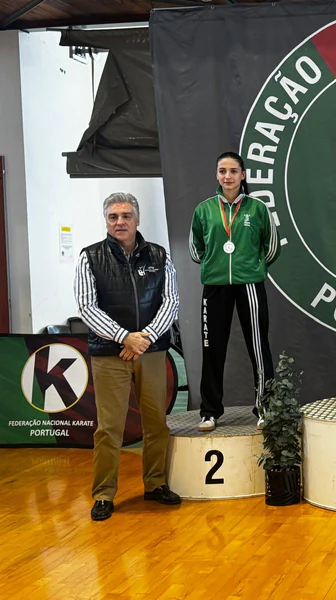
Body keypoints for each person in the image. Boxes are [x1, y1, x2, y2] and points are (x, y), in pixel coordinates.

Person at [74, 192, 181, 521]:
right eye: (113, 217)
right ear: (106, 221)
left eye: (125, 216)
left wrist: (144, 338)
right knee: (109, 428)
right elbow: (87, 307)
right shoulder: (90, 257)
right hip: (110, 355)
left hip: (151, 352)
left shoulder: (159, 255)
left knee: (156, 423)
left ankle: (155, 484)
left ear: (137, 219)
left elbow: (171, 301)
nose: (119, 222)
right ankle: (104, 494)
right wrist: (125, 337)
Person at [190, 151, 281, 431]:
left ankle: (265, 407)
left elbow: (272, 247)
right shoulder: (204, 210)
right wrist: (215, 264)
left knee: (258, 346)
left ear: (243, 175)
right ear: (217, 175)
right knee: (212, 348)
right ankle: (209, 411)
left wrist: (253, 267)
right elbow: (196, 249)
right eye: (222, 171)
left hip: (249, 284)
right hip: (215, 286)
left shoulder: (258, 208)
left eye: (233, 171)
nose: (227, 176)